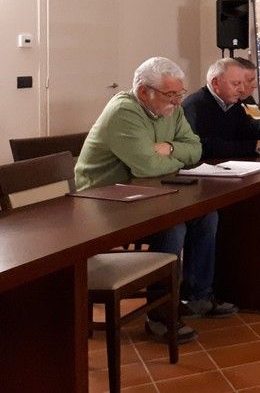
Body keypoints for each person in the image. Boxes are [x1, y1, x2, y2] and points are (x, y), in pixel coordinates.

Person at [74, 57, 235, 345]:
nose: (177, 101)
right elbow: (147, 166)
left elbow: (195, 149)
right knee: (172, 227)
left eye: (180, 93)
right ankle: (160, 314)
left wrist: (168, 148)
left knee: (206, 215)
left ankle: (196, 297)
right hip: (105, 201)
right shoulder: (124, 111)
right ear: (143, 91)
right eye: (170, 94)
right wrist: (171, 157)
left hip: (150, 193)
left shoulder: (171, 108)